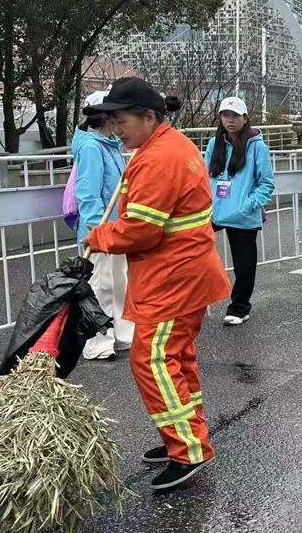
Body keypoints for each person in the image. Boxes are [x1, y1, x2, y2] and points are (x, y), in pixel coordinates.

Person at [82, 77, 229, 491]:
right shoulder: (168, 147)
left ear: (149, 117)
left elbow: (142, 231)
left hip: (173, 279)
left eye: (121, 119)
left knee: (152, 360)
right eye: (111, 120)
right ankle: (184, 435)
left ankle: (188, 449)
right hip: (184, 274)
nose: (115, 128)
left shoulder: (158, 158)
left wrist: (99, 236)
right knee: (175, 358)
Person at [72, 90, 133, 360]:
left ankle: (121, 334)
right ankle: (97, 341)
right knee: (101, 285)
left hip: (115, 228)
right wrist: (98, 231)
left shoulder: (108, 146)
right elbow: (88, 195)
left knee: (118, 283)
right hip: (101, 231)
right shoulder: (91, 148)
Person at [205, 96, 275, 326]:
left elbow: (266, 183)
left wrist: (249, 204)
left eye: (235, 116)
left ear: (245, 118)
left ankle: (240, 307)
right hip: (215, 210)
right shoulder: (214, 144)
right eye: (225, 115)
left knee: (244, 264)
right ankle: (193, 300)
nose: (230, 120)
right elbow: (205, 175)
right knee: (192, 250)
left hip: (243, 214)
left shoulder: (257, 146)